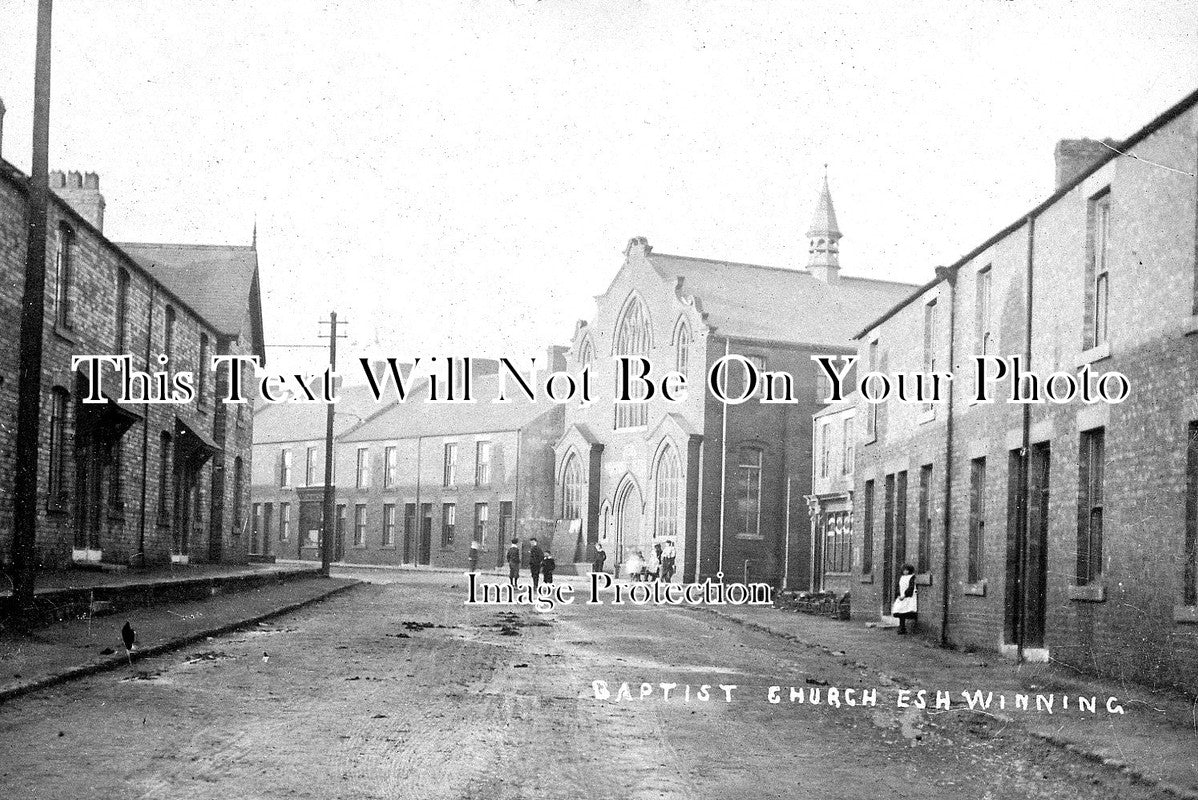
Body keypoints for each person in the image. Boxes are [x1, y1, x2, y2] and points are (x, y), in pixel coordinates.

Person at [892, 563, 918, 634]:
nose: (905, 572)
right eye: (904, 570)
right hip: (901, 597)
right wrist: (898, 595)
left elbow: (911, 587)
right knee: (900, 611)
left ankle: (904, 628)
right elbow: (898, 586)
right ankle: (902, 627)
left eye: (907, 570)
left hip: (908, 597)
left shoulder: (912, 577)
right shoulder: (902, 577)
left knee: (906, 611)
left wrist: (905, 595)